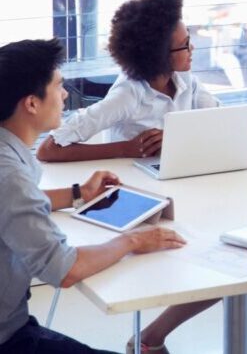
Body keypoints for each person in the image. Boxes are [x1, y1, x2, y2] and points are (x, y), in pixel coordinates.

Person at [0, 39, 185, 354]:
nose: (65, 94)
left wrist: (78, 194)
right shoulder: (10, 175)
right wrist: (133, 241)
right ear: (31, 103)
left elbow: (12, 203)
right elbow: (65, 269)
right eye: (59, 86)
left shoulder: (9, 157)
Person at [37, 0, 218, 162]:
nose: (192, 48)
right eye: (184, 45)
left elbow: (220, 121)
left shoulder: (186, 81)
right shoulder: (127, 95)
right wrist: (126, 149)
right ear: (160, 56)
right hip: (135, 182)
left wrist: (176, 137)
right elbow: (48, 149)